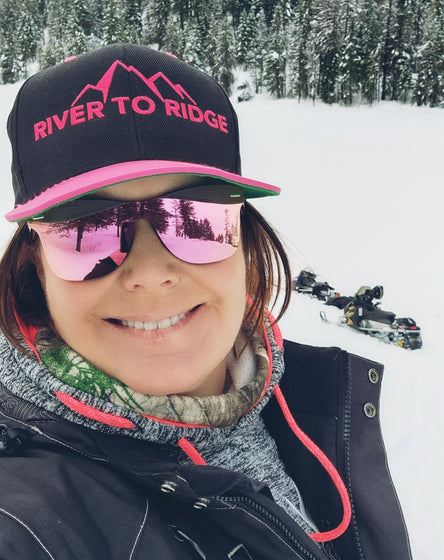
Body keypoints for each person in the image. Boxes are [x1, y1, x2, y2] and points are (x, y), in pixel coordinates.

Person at [0, 44, 411, 559]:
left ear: (245, 238)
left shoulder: (298, 397)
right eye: (89, 231)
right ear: (34, 265)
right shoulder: (28, 519)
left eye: (197, 221)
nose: (151, 275)